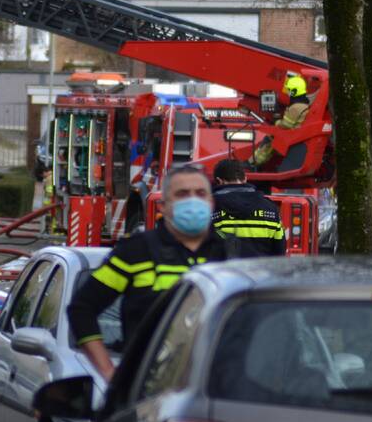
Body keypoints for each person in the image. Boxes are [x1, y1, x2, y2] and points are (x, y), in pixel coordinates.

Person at [68, 164, 233, 381]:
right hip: (147, 390)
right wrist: (109, 373)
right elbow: (82, 308)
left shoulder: (232, 254)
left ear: (211, 203)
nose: (193, 201)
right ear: (163, 206)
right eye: (182, 194)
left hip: (214, 390)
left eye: (200, 193)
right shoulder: (136, 252)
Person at [211, 158, 285, 257]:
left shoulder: (210, 208)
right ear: (245, 178)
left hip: (224, 271)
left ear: (219, 181)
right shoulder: (270, 208)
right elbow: (279, 250)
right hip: (260, 271)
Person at [249, 73, 311, 168]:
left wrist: (276, 121)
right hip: (298, 135)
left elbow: (285, 125)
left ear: (294, 92)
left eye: (289, 90)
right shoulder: (304, 104)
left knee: (270, 137)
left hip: (292, 136)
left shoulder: (296, 107)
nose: (288, 93)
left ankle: (253, 162)